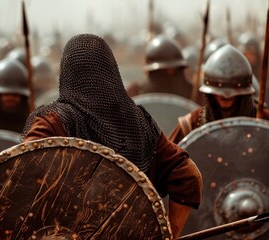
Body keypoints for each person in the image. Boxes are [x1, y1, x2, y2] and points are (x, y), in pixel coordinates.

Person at [22, 34, 202, 237]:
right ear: (111, 72)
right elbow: (187, 175)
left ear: (67, 75)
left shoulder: (53, 122)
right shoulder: (138, 121)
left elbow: (21, 177)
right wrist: (169, 234)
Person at [169, 44, 269, 144]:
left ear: (244, 94)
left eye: (233, 91)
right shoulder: (191, 124)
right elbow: (168, 157)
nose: (226, 96)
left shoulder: (263, 121)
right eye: (219, 91)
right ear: (210, 94)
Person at [126, 35, 192, 99]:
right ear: (149, 72)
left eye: (174, 71)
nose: (169, 73)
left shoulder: (195, 95)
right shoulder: (135, 93)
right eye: (163, 72)